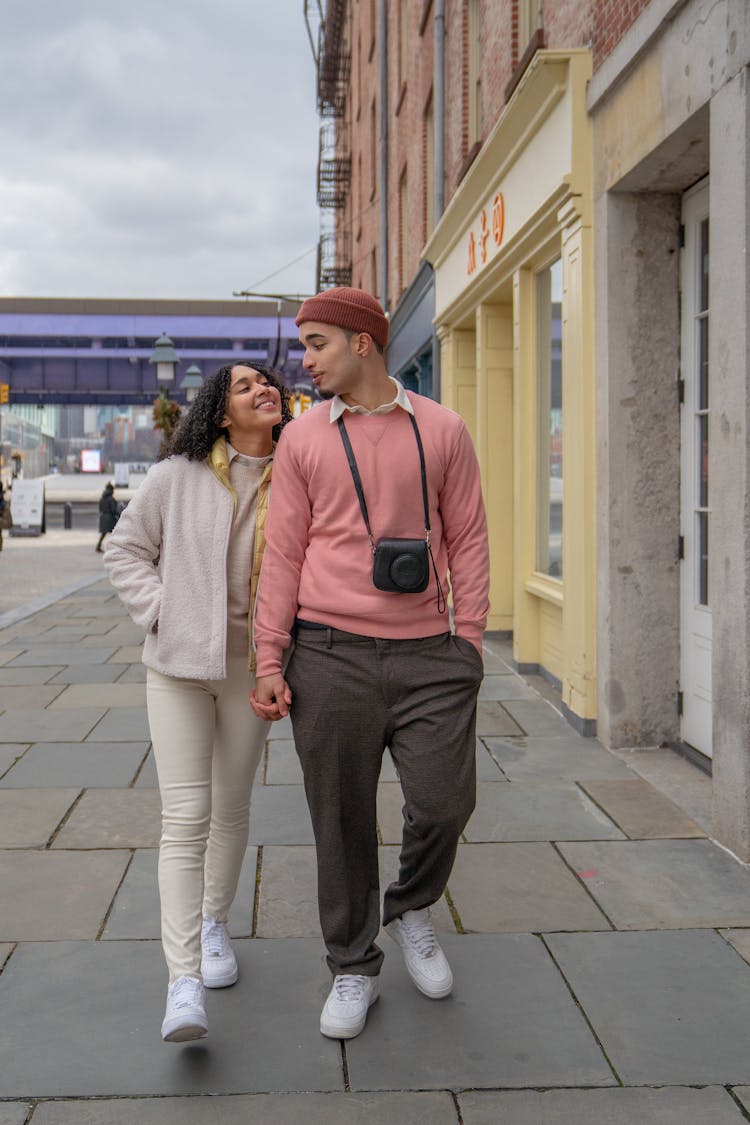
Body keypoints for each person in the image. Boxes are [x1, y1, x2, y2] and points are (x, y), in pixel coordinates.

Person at [251, 287, 489, 1041]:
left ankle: (413, 903)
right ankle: (352, 964)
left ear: (363, 342)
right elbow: (282, 551)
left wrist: (471, 640)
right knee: (342, 819)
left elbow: (471, 538)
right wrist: (270, 655)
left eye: (317, 343)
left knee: (445, 802)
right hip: (328, 653)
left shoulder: (444, 429)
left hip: (431, 653)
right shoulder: (303, 440)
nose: (305, 361)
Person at [104, 362, 292, 1043]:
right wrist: (163, 614)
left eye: (267, 381)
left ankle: (215, 922)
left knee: (232, 805)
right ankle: (182, 981)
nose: (262, 389)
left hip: (253, 669)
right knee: (186, 816)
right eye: (245, 386)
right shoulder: (176, 475)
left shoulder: (296, 472)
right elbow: (124, 550)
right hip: (179, 669)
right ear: (220, 412)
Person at [95, 482, 118, 552]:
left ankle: (98, 546)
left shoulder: (102, 498)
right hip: (110, 518)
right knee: (114, 533)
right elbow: (114, 509)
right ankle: (114, 548)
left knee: (104, 533)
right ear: (111, 490)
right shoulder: (111, 499)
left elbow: (100, 508)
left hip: (103, 517)